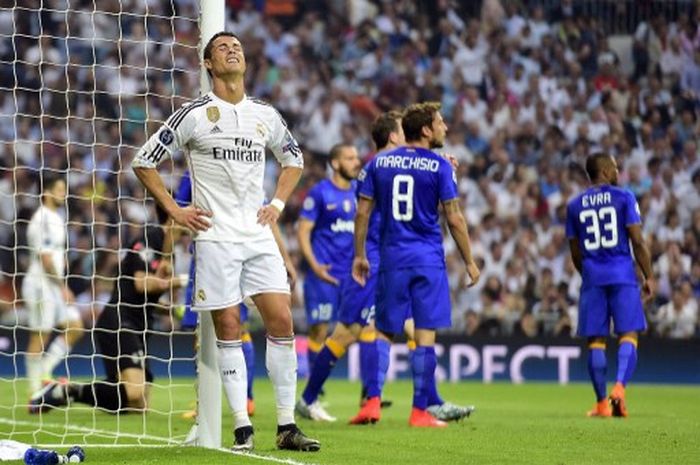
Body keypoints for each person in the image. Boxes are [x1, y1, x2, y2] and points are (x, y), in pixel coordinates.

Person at [131, 32, 318, 452]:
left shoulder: (264, 114)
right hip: (215, 236)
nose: (233, 50)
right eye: (222, 48)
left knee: (282, 322)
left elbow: (294, 160)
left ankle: (286, 426)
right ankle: (241, 427)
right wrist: (174, 211)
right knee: (229, 327)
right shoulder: (194, 114)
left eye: (237, 47)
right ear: (209, 65)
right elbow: (144, 161)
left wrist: (278, 204)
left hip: (256, 233)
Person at [296, 111, 474, 425]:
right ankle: (312, 398)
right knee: (350, 332)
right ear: (394, 137)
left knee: (402, 329)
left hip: (388, 261)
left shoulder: (378, 168)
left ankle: (424, 401)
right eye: (401, 132)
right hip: (374, 263)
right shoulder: (375, 169)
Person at [352, 102, 481, 428]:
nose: (445, 128)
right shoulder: (439, 166)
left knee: (382, 331)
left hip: (392, 257)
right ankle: (419, 411)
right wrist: (469, 260)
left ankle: (372, 402)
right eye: (440, 123)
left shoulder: (378, 163)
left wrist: (359, 254)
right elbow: (454, 216)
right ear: (425, 130)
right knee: (425, 334)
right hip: (427, 260)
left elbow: (363, 213)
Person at [29, 211, 187, 413]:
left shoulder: (168, 252)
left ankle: (68, 391)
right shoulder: (149, 239)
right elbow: (141, 284)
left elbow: (144, 300)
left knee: (139, 406)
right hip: (120, 322)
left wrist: (173, 311)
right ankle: (69, 390)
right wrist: (182, 281)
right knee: (135, 394)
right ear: (174, 215)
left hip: (139, 325)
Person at [566, 153, 655, 418]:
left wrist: (589, 273)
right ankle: (619, 388)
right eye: (615, 167)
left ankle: (602, 403)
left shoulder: (574, 205)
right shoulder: (624, 197)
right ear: (605, 170)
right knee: (628, 333)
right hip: (622, 275)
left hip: (593, 276)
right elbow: (637, 241)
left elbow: (575, 251)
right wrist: (648, 275)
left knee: (596, 340)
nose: (618, 171)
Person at [296, 142, 360, 420]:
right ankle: (313, 397)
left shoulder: (360, 193)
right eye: (350, 157)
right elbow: (303, 232)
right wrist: (315, 267)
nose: (356, 162)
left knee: (354, 329)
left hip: (352, 276)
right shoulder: (320, 192)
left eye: (357, 157)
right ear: (335, 163)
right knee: (319, 332)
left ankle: (369, 395)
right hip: (323, 275)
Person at [23, 173, 83, 396]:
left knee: (75, 327)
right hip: (41, 284)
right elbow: (46, 260)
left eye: (64, 189)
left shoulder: (58, 217)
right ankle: (34, 393)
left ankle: (45, 373)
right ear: (46, 192)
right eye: (59, 189)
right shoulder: (42, 220)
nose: (63, 193)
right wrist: (63, 286)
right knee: (40, 336)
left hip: (54, 285)